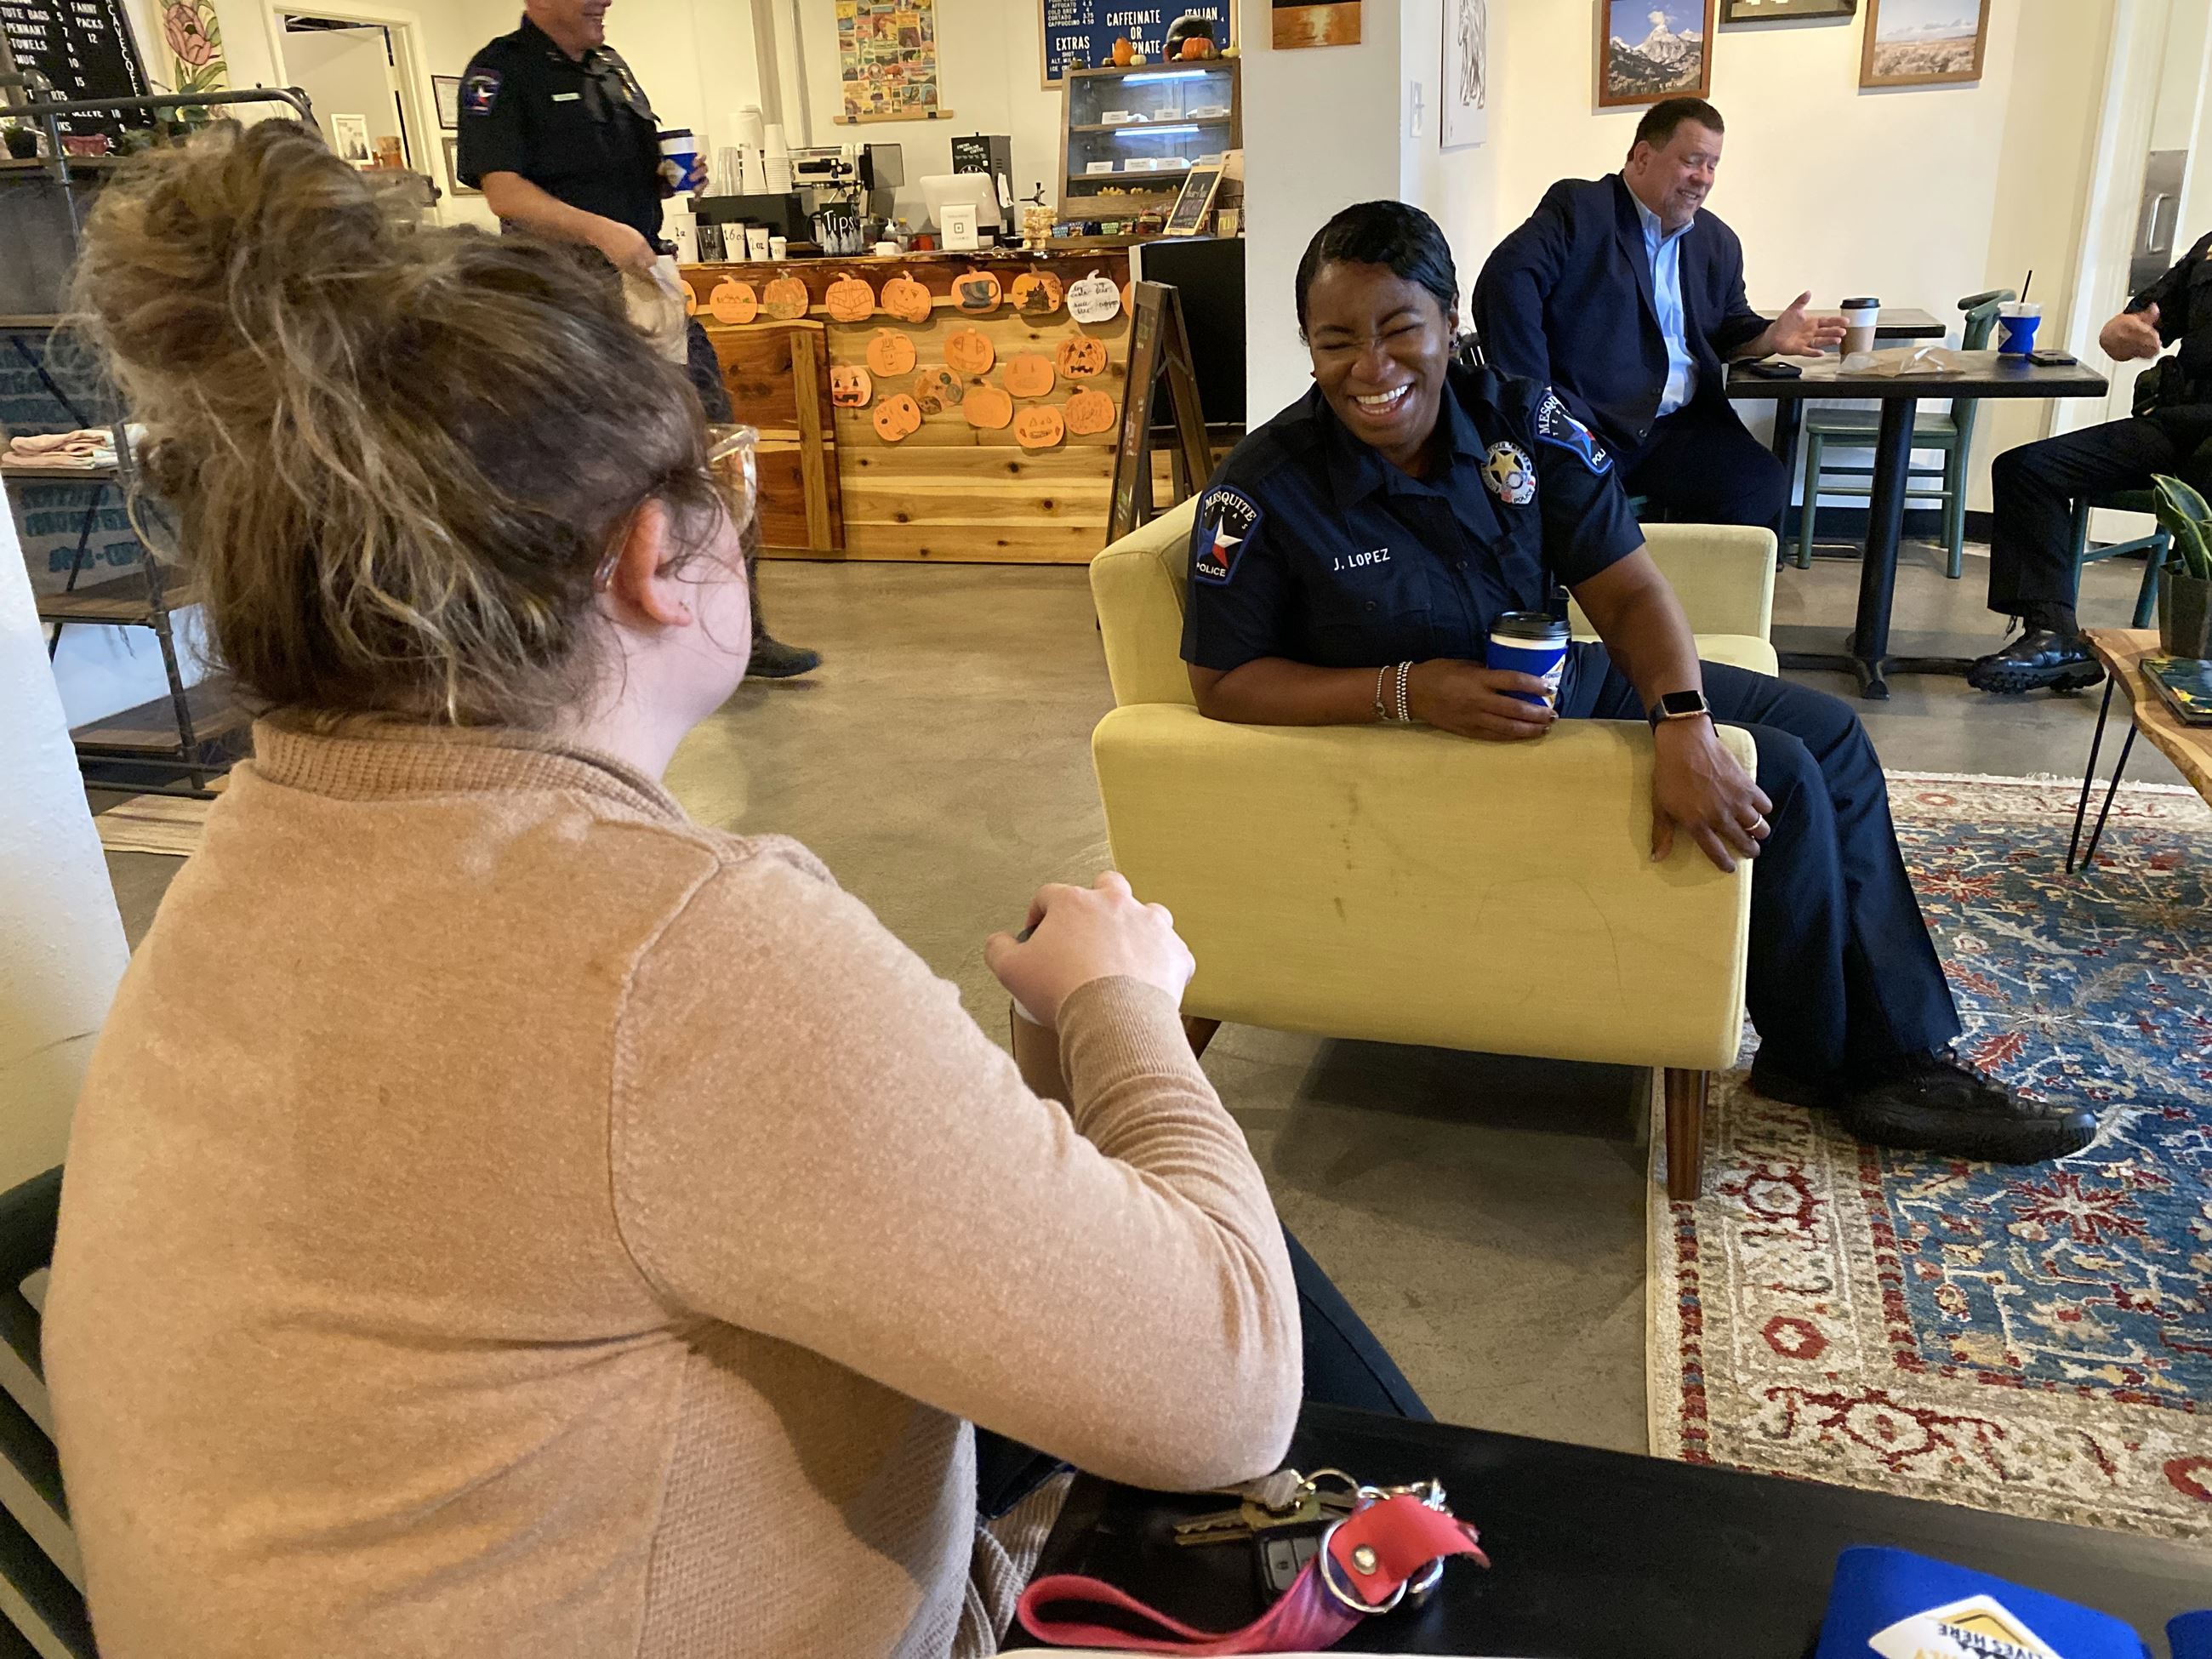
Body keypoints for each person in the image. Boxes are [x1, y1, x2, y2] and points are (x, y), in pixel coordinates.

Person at [43, 123, 1425, 1659]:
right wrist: (1123, 1005)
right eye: (728, 477)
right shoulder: (675, 949)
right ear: (653, 556)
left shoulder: (254, 845)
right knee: (1273, 1312)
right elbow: (1221, 1392)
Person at [1186, 200, 2097, 1167]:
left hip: (1547, 679)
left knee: (1826, 737)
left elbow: (1625, 590)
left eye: (1398, 329)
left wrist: (1680, 721)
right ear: (1307, 346)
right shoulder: (1265, 487)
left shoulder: (1518, 419)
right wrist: (1404, 691)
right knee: (1774, 771)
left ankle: (1824, 1053)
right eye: (1334, 342)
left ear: (1450, 321)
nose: (1369, 369)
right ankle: (1882, 1070)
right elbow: (1221, 682)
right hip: (1429, 736)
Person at [457, 0, 820, 679]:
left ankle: (740, 635)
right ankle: (585, 643)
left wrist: (666, 179)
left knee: (714, 446)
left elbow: (627, 171)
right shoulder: (500, 74)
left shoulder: (611, 68)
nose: (606, 1)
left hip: (646, 281)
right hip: (569, 296)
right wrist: (598, 230)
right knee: (589, 472)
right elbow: (505, 194)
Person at [1472, 97, 1844, 528]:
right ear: (1644, 156)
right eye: (1692, 161)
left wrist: (1769, 339)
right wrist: (1539, 400)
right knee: (1574, 510)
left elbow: (1728, 328)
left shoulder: (1717, 242)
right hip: (1592, 424)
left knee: (1759, 484)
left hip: (1678, 428)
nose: (1703, 178)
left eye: (1713, 165)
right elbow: (1506, 280)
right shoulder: (1582, 208)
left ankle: (1683, 590)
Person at [1969, 235, 2212, 693]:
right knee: (2028, 469)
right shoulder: (2209, 250)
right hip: (2179, 424)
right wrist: (2123, 332)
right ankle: (2054, 638)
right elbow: (2126, 329)